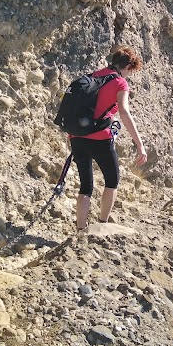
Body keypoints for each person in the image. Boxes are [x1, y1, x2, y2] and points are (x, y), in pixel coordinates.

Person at [69, 46, 147, 229]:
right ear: (127, 66)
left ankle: (80, 231)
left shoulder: (92, 76)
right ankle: (102, 225)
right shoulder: (120, 83)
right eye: (130, 71)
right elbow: (124, 113)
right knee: (112, 181)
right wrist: (140, 144)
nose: (129, 75)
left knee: (85, 186)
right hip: (101, 139)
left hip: (77, 136)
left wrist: (72, 134)